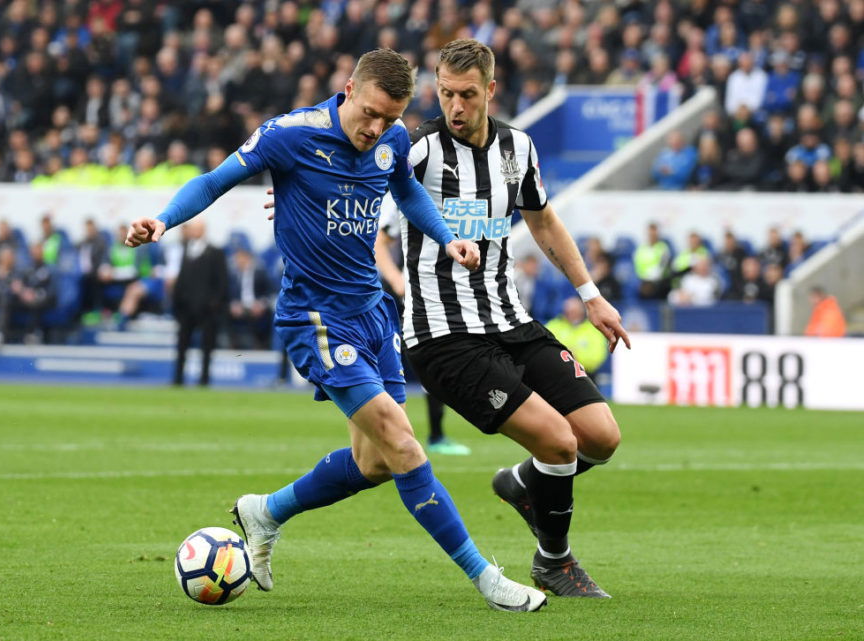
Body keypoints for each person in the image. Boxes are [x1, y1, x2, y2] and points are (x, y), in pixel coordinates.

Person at [124, 48, 545, 612]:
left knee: (374, 462)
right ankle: (485, 577)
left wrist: (447, 238)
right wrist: (163, 221)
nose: (376, 128)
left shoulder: (393, 140)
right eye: (369, 112)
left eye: (389, 118)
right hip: (316, 318)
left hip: (372, 314)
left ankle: (265, 511)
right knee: (403, 445)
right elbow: (216, 179)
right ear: (348, 89)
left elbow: (407, 191)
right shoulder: (289, 135)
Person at [377, 39, 630, 598]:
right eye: (445, 94)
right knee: (561, 443)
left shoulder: (518, 148)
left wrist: (591, 295)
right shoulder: (416, 149)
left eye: (467, 95)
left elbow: (543, 223)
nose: (455, 107)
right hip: (444, 337)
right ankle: (554, 562)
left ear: (491, 90)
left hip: (510, 322)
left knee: (601, 437)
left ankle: (523, 484)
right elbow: (363, 203)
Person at [375, 223, 471, 456]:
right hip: (412, 303)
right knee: (392, 366)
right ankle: (385, 435)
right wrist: (397, 280)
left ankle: (433, 435)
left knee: (436, 368)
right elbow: (379, 241)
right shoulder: (408, 194)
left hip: (440, 301)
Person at [171, 220, 228, 386]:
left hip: (207, 309)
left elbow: (222, 281)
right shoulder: (185, 249)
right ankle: (178, 378)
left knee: (207, 346)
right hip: (186, 307)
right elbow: (181, 279)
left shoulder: (215, 252)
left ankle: (204, 379)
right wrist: (177, 301)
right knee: (182, 345)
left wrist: (215, 303)